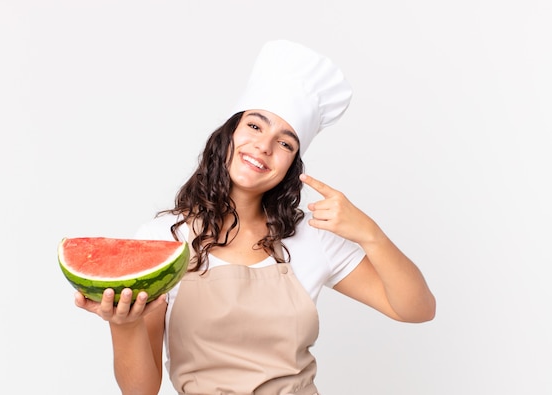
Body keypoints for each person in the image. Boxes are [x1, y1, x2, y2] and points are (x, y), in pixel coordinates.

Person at [74, 39, 436, 395]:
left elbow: (416, 309)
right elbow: (141, 390)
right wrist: (124, 326)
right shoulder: (163, 239)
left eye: (285, 143)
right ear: (228, 133)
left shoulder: (313, 237)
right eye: (255, 126)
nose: (264, 145)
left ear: (291, 166)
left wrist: (371, 234)